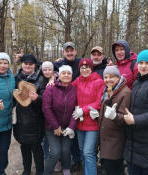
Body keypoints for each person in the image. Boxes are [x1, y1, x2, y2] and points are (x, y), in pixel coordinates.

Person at [13, 54, 46, 175]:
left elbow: (46, 99)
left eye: (30, 64)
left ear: (35, 65)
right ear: (22, 64)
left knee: (37, 148)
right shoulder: (16, 78)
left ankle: (40, 171)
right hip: (21, 119)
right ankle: (26, 170)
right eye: (25, 63)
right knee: (24, 147)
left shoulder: (41, 79)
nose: (27, 66)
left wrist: (37, 98)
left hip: (36, 119)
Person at [72, 58, 105, 175]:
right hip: (80, 123)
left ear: (91, 69)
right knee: (82, 151)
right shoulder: (78, 81)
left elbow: (99, 102)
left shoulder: (99, 82)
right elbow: (67, 88)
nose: (84, 69)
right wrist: (52, 79)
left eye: (87, 67)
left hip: (92, 123)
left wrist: (84, 110)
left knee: (88, 152)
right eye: (82, 67)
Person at [42, 65, 77, 175]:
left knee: (66, 151)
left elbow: (76, 109)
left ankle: (66, 168)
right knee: (55, 152)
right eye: (63, 73)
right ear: (59, 75)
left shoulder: (75, 89)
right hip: (51, 127)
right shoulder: (50, 89)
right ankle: (47, 172)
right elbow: (46, 108)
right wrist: (56, 127)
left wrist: (71, 127)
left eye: (68, 73)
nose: (66, 75)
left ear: (72, 75)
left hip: (67, 126)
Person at [54, 41, 82, 172]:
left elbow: (95, 63)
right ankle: (63, 161)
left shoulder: (81, 62)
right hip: (63, 102)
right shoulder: (59, 64)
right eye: (67, 51)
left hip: (78, 101)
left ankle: (77, 161)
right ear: (63, 53)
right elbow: (43, 67)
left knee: (75, 136)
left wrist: (106, 60)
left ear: (76, 51)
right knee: (63, 137)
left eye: (72, 50)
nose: (70, 53)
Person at [99, 65, 131, 175]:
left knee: (113, 170)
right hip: (105, 139)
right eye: (106, 77)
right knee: (106, 168)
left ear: (118, 77)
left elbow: (125, 118)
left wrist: (114, 116)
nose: (108, 80)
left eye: (111, 77)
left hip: (115, 141)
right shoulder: (108, 91)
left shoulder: (125, 93)